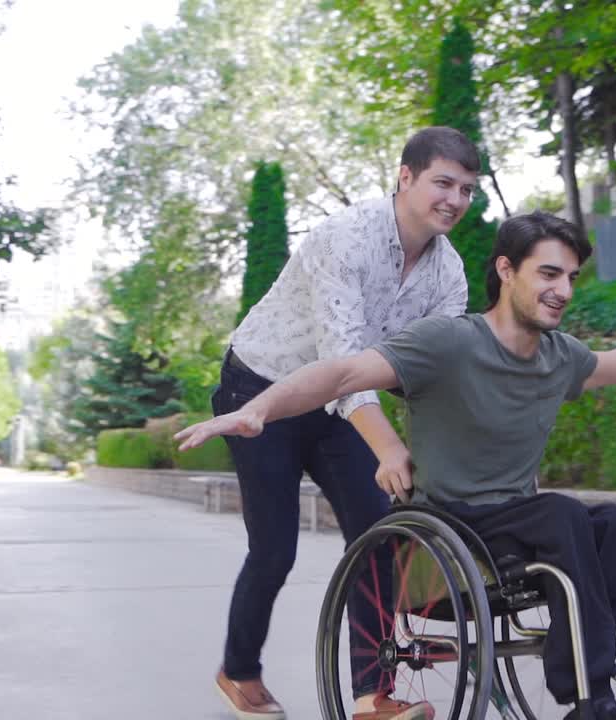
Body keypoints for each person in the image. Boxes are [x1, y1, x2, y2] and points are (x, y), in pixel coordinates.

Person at [177, 212, 616, 720]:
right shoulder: (448, 343)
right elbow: (343, 373)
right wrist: (258, 409)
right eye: (549, 274)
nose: (563, 291)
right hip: (449, 530)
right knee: (562, 514)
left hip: (523, 523)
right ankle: (589, 699)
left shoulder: (558, 356)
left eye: (572, 278)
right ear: (507, 270)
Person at [210, 126, 482, 720]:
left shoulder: (449, 273)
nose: (456, 200)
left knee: (376, 534)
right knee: (274, 549)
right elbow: (341, 364)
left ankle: (371, 697)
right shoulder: (344, 238)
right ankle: (239, 669)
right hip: (263, 389)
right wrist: (388, 448)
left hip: (342, 404)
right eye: (443, 183)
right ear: (405, 177)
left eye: (467, 189)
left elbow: (434, 370)